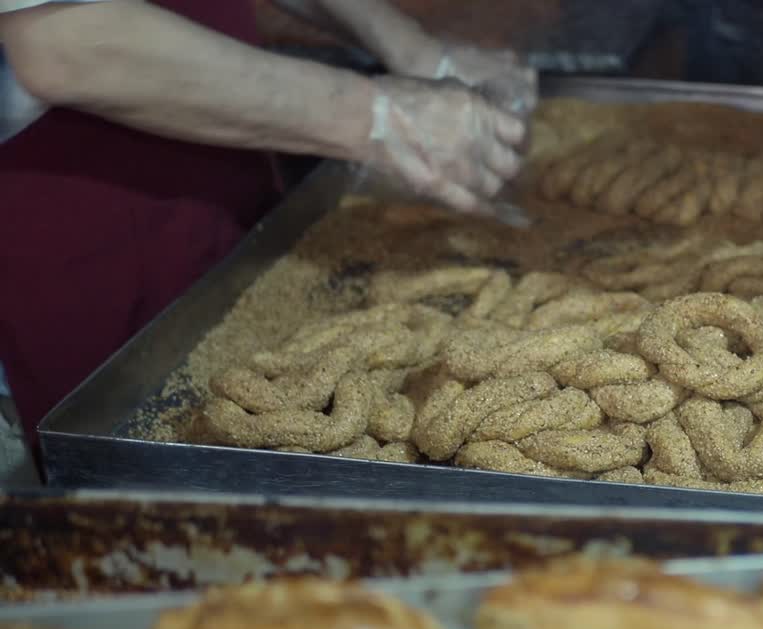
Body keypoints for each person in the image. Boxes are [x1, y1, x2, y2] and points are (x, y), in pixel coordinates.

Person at [0, 0, 536, 453]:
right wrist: (376, 117)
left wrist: (416, 51)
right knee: (128, 479)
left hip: (231, 159)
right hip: (84, 210)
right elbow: (61, 43)